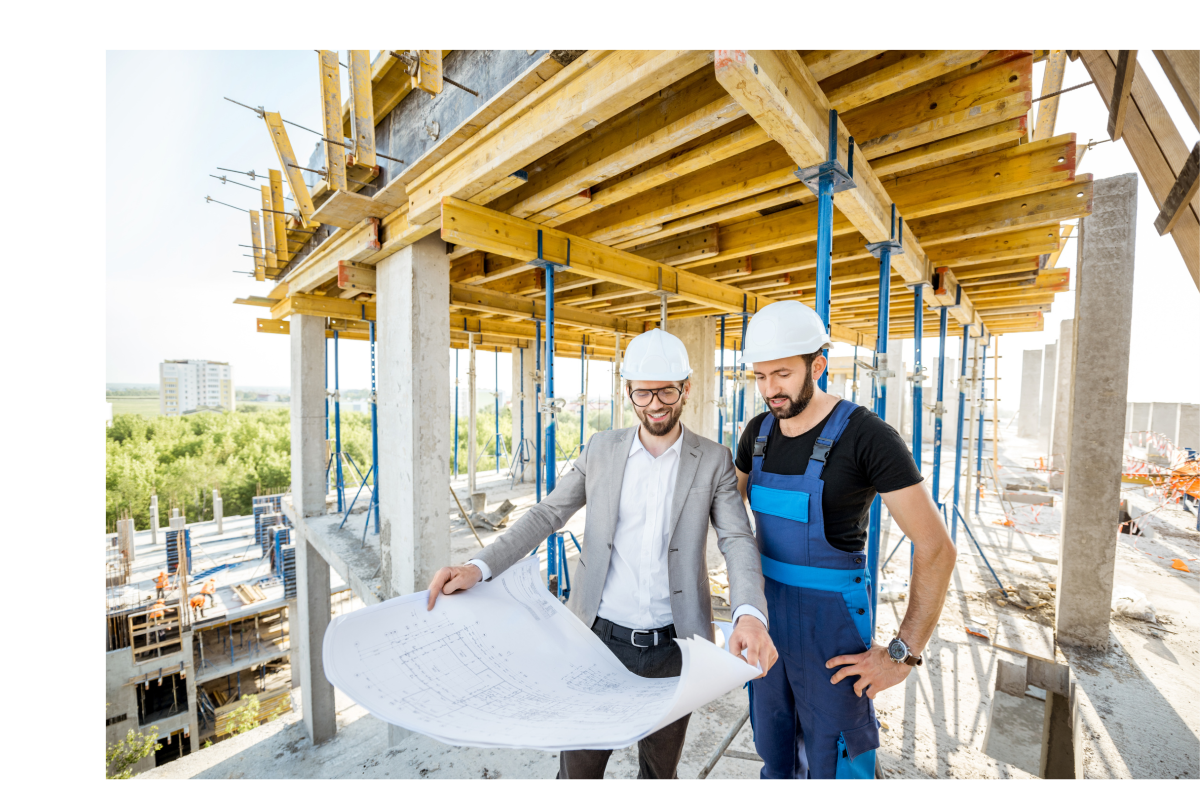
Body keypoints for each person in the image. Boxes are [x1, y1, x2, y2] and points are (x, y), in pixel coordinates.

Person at [428, 328, 778, 780]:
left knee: (659, 773)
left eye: (667, 391)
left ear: (686, 389)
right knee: (578, 770)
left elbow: (736, 538)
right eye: (642, 393)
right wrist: (479, 566)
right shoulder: (600, 450)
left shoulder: (712, 459)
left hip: (675, 650)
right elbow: (548, 513)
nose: (655, 404)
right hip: (595, 642)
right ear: (627, 391)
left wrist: (749, 612)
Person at [734, 301, 957, 781]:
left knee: (836, 757)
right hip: (767, 621)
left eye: (782, 374)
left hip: (831, 632)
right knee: (774, 745)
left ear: (818, 365)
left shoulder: (867, 437)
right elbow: (729, 517)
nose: (770, 389)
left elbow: (937, 548)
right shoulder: (756, 434)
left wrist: (903, 653)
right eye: (760, 376)